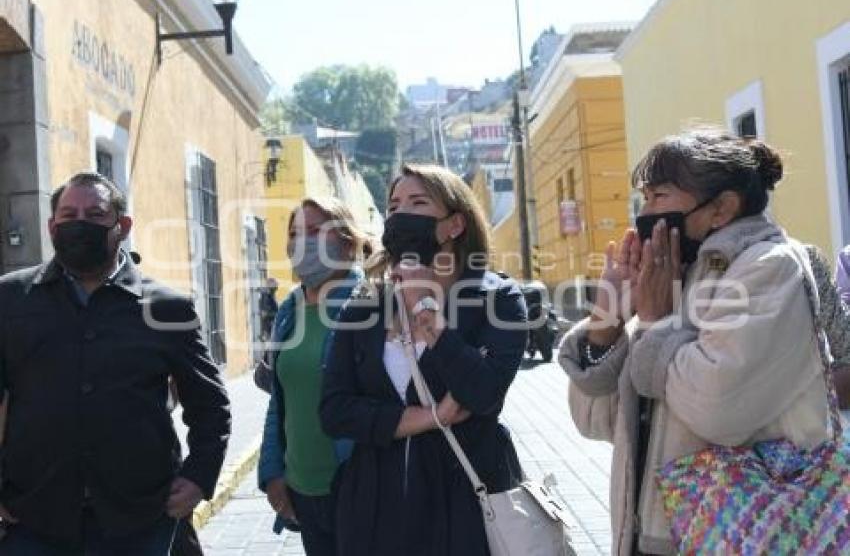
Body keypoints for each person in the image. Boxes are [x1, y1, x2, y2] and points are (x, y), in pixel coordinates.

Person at [559, 129, 830, 555]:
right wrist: (607, 317)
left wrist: (653, 322)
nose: (645, 213)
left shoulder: (770, 267)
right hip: (646, 537)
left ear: (721, 207)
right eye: (643, 198)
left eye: (659, 196)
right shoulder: (671, 276)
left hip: (744, 535)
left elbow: (718, 410)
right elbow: (595, 421)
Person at [0, 172, 231, 553]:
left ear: (121, 226)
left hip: (142, 521)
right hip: (35, 519)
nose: (80, 224)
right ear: (51, 225)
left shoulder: (167, 308)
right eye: (69, 215)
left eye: (95, 215)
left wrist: (199, 477)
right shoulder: (11, 299)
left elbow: (210, 405)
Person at [320, 164, 528, 556]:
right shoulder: (365, 305)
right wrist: (431, 417)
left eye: (418, 203)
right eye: (394, 206)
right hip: (374, 509)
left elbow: (483, 393)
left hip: (466, 503)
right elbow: (334, 412)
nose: (400, 215)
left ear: (454, 225)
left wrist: (429, 318)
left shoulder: (497, 299)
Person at [257, 197, 367, 555]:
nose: (301, 242)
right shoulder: (289, 309)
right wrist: (273, 473)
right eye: (295, 233)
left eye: (316, 230)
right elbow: (281, 399)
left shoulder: (370, 303)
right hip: (303, 491)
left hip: (357, 487)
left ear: (347, 241)